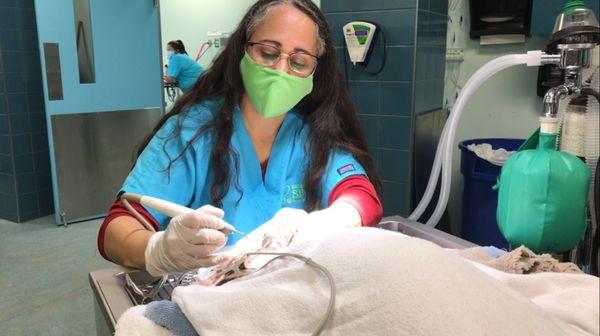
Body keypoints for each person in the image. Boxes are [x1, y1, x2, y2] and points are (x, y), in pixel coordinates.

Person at [98, 0, 383, 277]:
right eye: (269, 53)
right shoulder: (191, 131)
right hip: (207, 295)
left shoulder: (312, 136)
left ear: (314, 72)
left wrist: (326, 222)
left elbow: (361, 195)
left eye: (298, 61)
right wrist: (159, 251)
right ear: (243, 51)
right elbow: (116, 230)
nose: (280, 70)